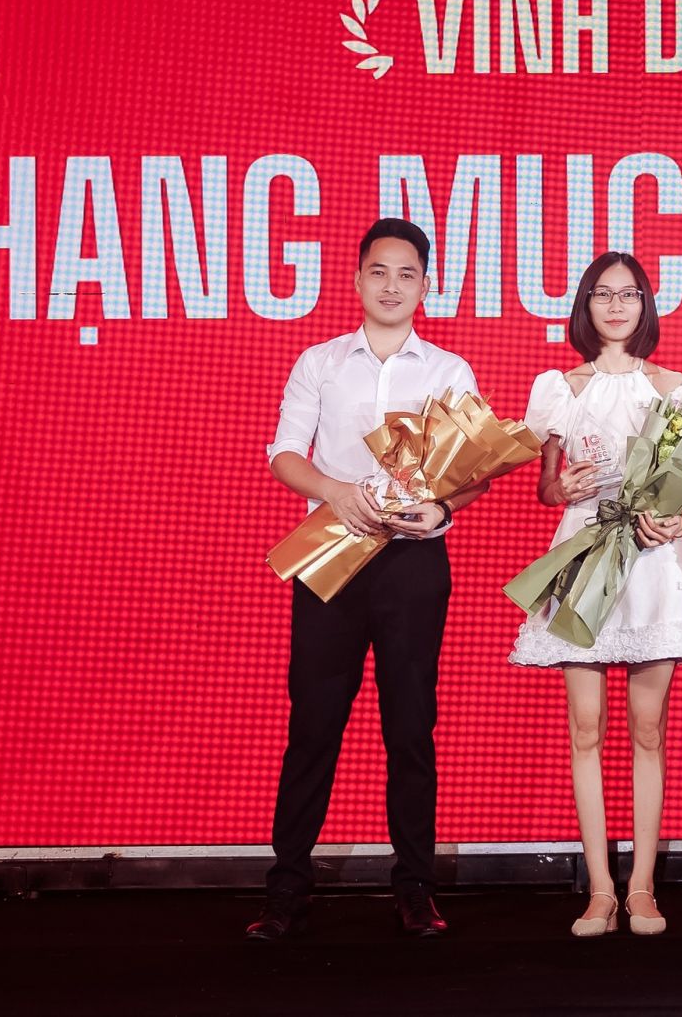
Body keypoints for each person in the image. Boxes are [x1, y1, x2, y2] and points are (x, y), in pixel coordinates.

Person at [246, 218, 488, 941]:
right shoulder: (320, 362)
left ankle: (414, 886)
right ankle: (288, 886)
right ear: (356, 279)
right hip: (331, 551)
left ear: (426, 286)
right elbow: (285, 453)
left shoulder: (447, 371)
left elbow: (474, 469)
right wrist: (334, 489)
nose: (391, 286)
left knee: (411, 727)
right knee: (313, 723)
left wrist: (443, 507)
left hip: (414, 561)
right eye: (379, 272)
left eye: (406, 274)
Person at [511, 251, 682, 937]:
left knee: (648, 729)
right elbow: (547, 487)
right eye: (602, 294)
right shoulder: (559, 387)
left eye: (628, 294)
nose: (615, 305)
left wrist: (678, 514)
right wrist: (561, 488)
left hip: (653, 559)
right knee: (585, 728)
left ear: (645, 304)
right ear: (585, 306)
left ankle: (642, 888)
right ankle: (600, 890)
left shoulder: (678, 387)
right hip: (583, 553)